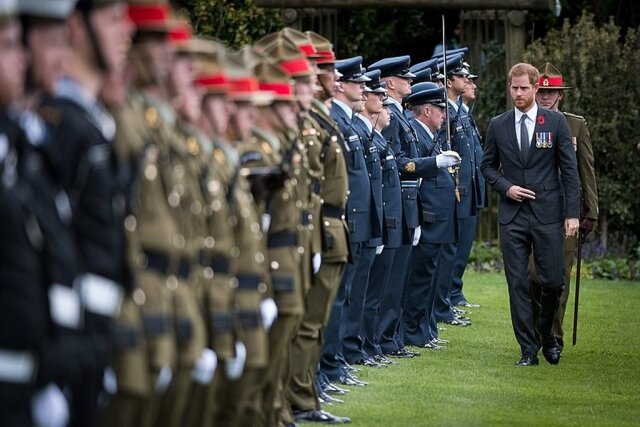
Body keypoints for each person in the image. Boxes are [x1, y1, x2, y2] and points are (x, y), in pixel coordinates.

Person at [480, 62, 580, 366]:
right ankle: (527, 350)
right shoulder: (498, 125)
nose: (518, 93)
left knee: (553, 282)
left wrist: (572, 214)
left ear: (536, 88)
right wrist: (506, 187)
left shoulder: (555, 122)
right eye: (514, 87)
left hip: (548, 213)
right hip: (512, 216)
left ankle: (546, 333)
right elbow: (486, 167)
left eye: (524, 88)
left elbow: (569, 170)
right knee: (518, 284)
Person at [530, 62, 598, 351]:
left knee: (559, 278)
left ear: (560, 95)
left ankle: (553, 336)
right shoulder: (524, 123)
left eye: (552, 92)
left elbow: (587, 170)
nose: (546, 97)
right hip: (533, 209)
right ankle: (536, 329)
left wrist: (590, 210)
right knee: (532, 276)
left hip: (567, 211)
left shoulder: (575, 125)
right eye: (542, 92)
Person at [403, 83, 461, 349]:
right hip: (428, 217)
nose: (444, 115)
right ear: (426, 110)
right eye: (440, 109)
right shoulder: (416, 132)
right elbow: (409, 168)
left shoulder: (429, 134)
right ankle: (415, 332)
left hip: (439, 218)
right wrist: (436, 162)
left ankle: (426, 330)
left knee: (431, 277)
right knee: (421, 278)